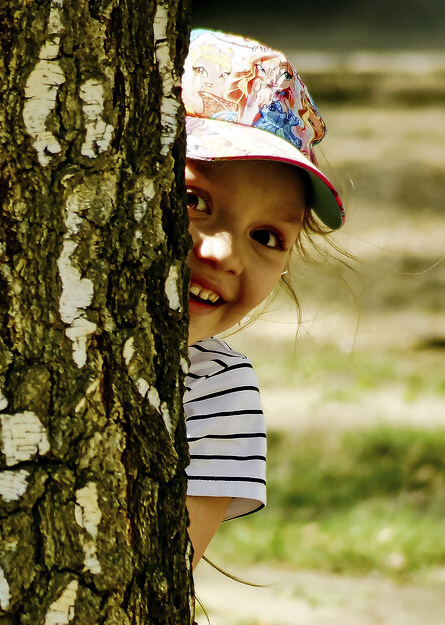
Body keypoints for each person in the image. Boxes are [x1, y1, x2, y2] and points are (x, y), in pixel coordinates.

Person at [182, 30, 345, 568]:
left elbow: (150, 585)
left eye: (267, 237)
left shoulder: (217, 390)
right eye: (194, 200)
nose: (226, 254)